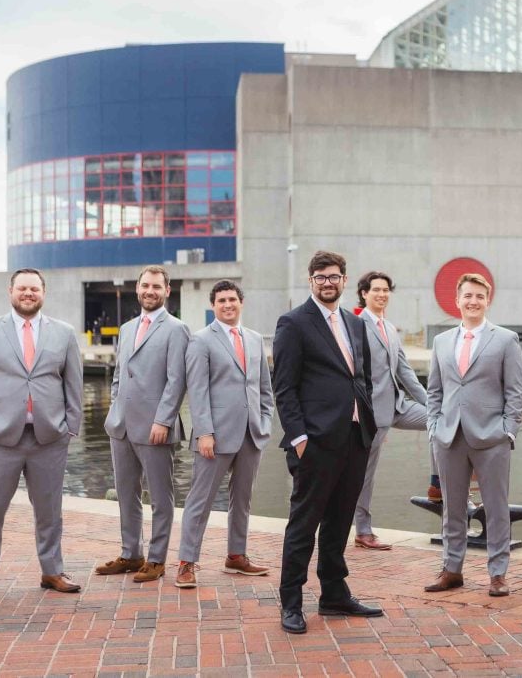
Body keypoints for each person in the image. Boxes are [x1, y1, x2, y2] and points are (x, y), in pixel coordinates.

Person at [273, 250, 382, 634]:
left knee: (339, 524)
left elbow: (361, 377)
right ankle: (291, 602)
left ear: (344, 279)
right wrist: (299, 438)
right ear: (311, 281)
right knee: (303, 525)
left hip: (355, 436)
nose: (327, 282)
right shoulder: (293, 323)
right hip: (315, 442)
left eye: (334, 276)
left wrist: (367, 421)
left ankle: (334, 594)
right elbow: (283, 388)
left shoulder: (356, 325)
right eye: (320, 277)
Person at [0, 268, 83, 600]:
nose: (28, 293)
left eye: (34, 288)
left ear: (43, 292)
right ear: (10, 291)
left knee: (49, 511)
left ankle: (52, 572)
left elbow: (74, 384)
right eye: (22, 288)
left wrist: (70, 427)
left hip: (49, 438)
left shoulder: (64, 333)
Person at [424, 273, 522, 598]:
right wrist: (434, 428)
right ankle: (452, 570)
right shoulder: (441, 342)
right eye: (467, 295)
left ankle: (498, 574)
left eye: (479, 296)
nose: (473, 301)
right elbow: (434, 391)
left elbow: (515, 392)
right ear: (458, 300)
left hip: (492, 437)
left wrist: (508, 431)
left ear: (488, 300)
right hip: (449, 436)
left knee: (496, 508)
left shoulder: (506, 340)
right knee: (453, 509)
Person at [175, 280, 273, 588]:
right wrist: (204, 431)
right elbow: (198, 390)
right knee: (199, 500)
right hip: (214, 437)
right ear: (213, 306)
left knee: (242, 499)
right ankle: (186, 562)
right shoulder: (201, 340)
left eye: (232, 299)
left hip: (251, 433)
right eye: (221, 301)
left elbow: (263, 388)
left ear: (241, 302)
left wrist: (265, 421)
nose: (227, 304)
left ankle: (236, 556)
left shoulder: (256, 339)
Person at [95, 265, 190, 583]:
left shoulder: (176, 329)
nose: (150, 291)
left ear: (167, 291)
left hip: (155, 428)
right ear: (137, 289)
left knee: (161, 497)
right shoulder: (125, 328)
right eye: (145, 285)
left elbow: (177, 381)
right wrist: (114, 409)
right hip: (121, 426)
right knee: (126, 493)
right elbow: (119, 375)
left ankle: (157, 559)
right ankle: (131, 554)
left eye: (156, 286)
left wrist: (163, 419)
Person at [352, 271, 429, 550]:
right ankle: (362, 530)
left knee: (439, 421)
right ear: (364, 293)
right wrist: (362, 414)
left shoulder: (390, 327)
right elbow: (353, 374)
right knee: (365, 474)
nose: (382, 294)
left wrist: (433, 403)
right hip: (371, 413)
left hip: (397, 405)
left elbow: (406, 372)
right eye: (376, 290)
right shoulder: (356, 326)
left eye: (386, 290)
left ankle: (437, 484)